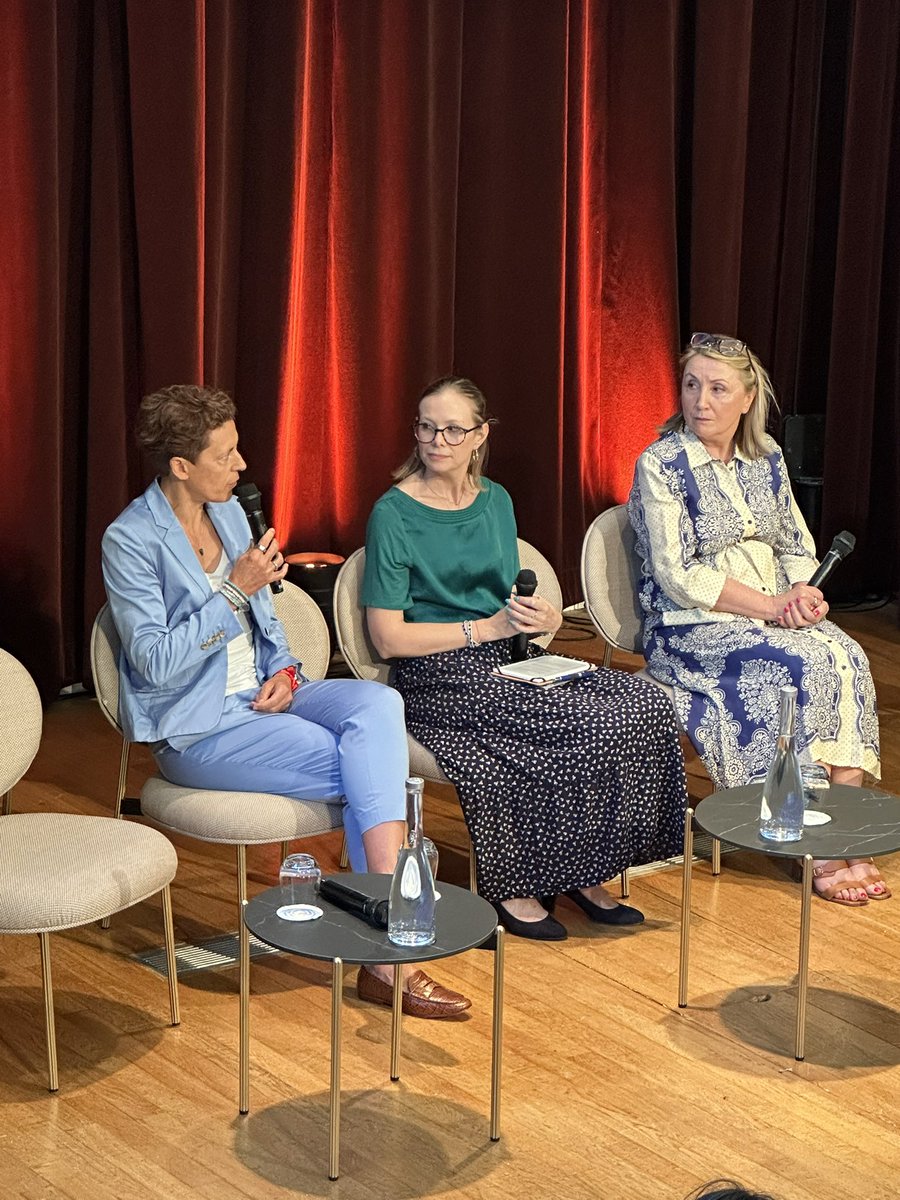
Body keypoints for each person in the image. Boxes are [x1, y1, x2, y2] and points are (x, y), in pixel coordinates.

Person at [101, 383, 470, 1018]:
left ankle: (390, 932)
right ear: (181, 466)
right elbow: (154, 660)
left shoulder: (230, 513)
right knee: (364, 762)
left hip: (269, 697)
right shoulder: (129, 540)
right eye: (227, 454)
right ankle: (395, 949)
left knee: (378, 710)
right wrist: (233, 591)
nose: (243, 466)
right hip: (199, 726)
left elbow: (268, 625)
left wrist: (289, 673)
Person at [362, 375, 688, 939]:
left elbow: (511, 596)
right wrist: (479, 629)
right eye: (425, 427)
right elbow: (388, 638)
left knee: (640, 703)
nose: (437, 440)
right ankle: (518, 880)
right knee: (569, 720)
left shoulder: (496, 501)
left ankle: (585, 868)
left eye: (453, 429)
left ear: (480, 435)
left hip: (511, 657)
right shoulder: (393, 513)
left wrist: (548, 620)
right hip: (436, 674)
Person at [628, 332, 885, 906]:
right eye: (692, 385)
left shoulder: (765, 456)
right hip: (690, 627)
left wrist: (805, 591)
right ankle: (807, 836)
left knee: (846, 654)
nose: (701, 401)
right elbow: (679, 575)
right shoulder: (663, 463)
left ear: (747, 398)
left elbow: (795, 540)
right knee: (801, 662)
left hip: (771, 613)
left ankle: (846, 826)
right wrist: (771, 607)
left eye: (718, 389)